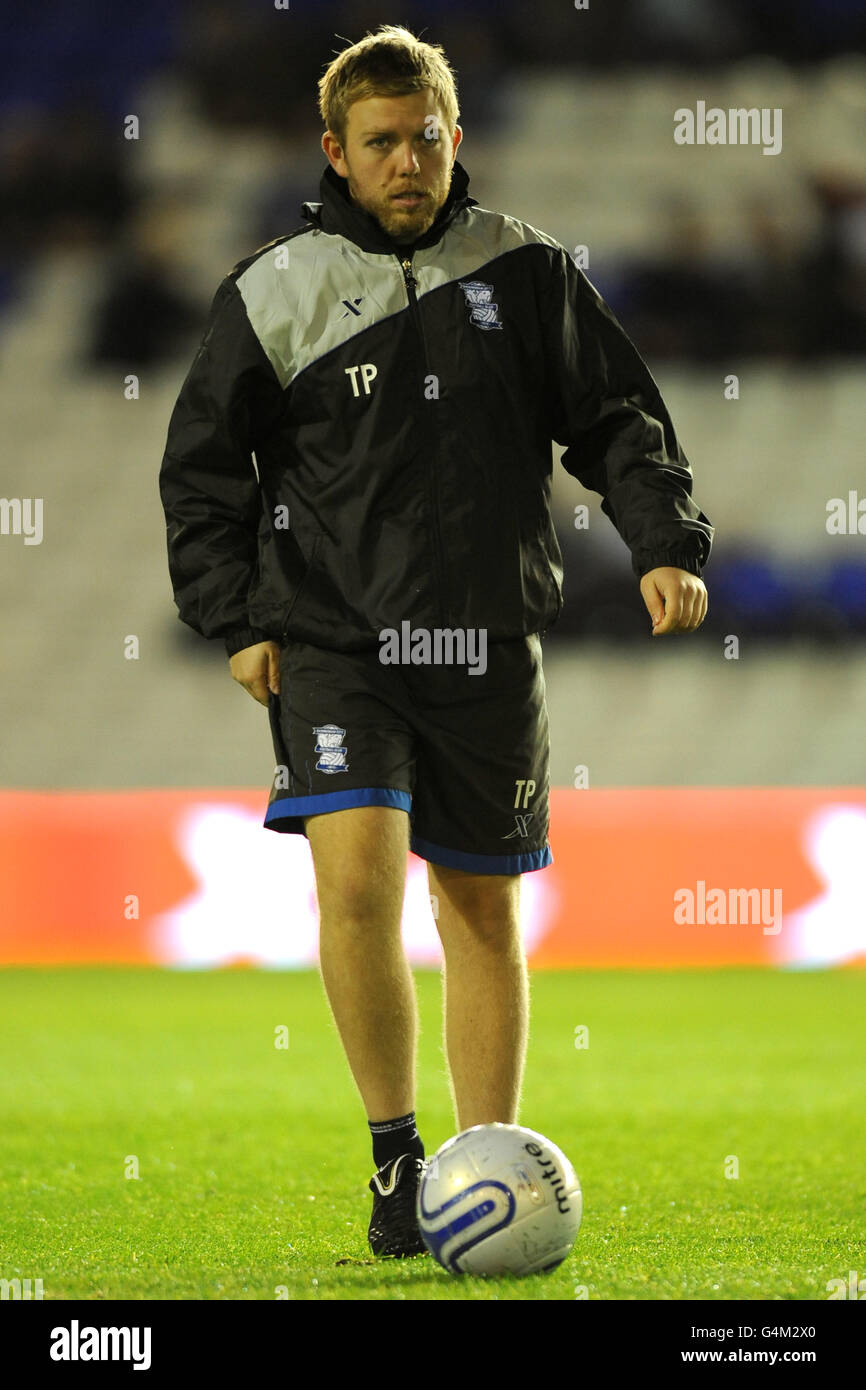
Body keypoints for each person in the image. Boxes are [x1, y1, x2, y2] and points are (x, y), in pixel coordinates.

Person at [158, 24, 713, 1261]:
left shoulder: (522, 274)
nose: (407, 160)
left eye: (426, 135)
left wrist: (663, 536)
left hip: (487, 637)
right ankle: (395, 1156)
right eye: (381, 143)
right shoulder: (272, 291)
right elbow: (203, 477)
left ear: (454, 135)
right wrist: (238, 616)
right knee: (355, 881)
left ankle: (488, 1168)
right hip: (334, 640)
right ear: (335, 155)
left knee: (477, 905)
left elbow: (616, 416)